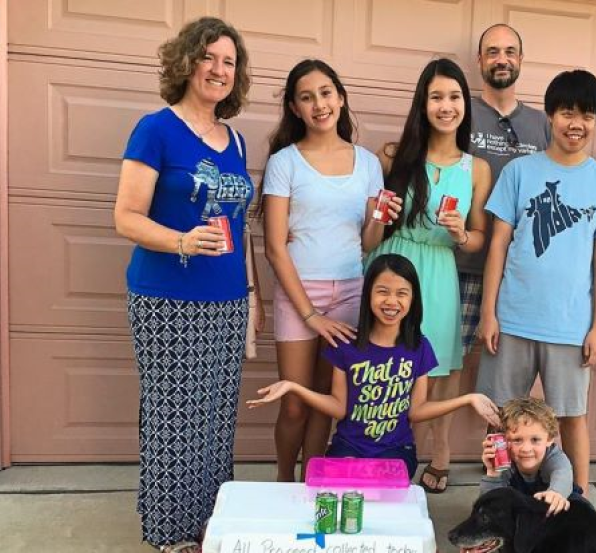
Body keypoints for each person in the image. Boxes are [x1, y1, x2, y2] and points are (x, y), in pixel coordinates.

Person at [113, 17, 255, 553]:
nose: (219, 69)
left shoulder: (236, 140)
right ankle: (169, 531)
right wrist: (181, 241)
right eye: (208, 57)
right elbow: (126, 216)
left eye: (229, 61)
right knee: (173, 413)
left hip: (226, 300)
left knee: (215, 415)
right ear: (186, 62)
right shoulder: (156, 129)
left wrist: (250, 294)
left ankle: (209, 520)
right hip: (166, 297)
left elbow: (240, 228)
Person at [476, 69, 596, 496]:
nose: (576, 124)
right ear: (550, 115)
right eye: (567, 113)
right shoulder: (519, 172)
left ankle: (577, 499)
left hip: (570, 325)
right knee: (499, 416)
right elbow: (498, 245)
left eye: (587, 115)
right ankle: (497, 497)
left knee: (571, 415)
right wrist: (489, 312)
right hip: (512, 318)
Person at [261, 59, 401, 482]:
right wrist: (310, 315)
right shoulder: (285, 162)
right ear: (295, 108)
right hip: (300, 293)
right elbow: (274, 248)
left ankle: (311, 484)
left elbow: (369, 243)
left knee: (326, 399)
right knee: (295, 403)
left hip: (351, 292)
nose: (319, 104)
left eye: (325, 93)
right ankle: (284, 483)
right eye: (307, 97)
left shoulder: (367, 163)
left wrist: (381, 217)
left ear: (340, 98)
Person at [247, 254, 500, 478]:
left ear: (413, 299)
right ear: (368, 294)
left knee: (381, 492)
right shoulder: (346, 346)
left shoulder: (419, 347)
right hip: (349, 447)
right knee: (343, 490)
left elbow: (417, 410)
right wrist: (293, 387)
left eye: (402, 293)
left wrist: (467, 399)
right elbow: (339, 407)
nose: (391, 301)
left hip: (396, 451)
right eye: (382, 291)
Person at [365, 58, 492, 493]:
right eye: (436, 97)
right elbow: (371, 229)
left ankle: (440, 453)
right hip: (392, 262)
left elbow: (479, 238)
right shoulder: (393, 156)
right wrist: (380, 215)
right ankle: (383, 445)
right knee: (382, 362)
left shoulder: (476, 169)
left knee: (439, 369)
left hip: (439, 271)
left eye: (454, 96)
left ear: (465, 104)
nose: (445, 106)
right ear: (422, 104)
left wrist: (461, 234)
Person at [459, 23, 550, 361]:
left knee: (504, 374)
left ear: (521, 59)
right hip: (463, 264)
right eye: (493, 52)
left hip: (520, 274)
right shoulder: (460, 113)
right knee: (448, 364)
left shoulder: (542, 124)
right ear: (479, 60)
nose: (502, 59)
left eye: (510, 52)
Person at [480, 397, 575, 516]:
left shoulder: (554, 457)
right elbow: (489, 504)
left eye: (535, 440)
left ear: (549, 439)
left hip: (549, 502)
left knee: (578, 505)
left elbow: (563, 474)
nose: (526, 449)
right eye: (517, 440)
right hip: (518, 505)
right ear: (504, 439)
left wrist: (556, 492)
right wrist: (493, 473)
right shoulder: (505, 460)